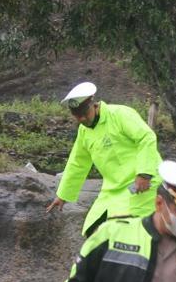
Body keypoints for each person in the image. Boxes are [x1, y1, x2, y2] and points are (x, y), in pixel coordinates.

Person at [46, 81, 164, 236]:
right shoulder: (84, 131)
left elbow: (146, 137)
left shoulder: (120, 114)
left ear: (93, 105)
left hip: (141, 185)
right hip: (112, 191)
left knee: (125, 231)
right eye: (77, 116)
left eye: (84, 114)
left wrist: (144, 174)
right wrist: (63, 195)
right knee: (92, 230)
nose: (81, 119)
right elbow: (78, 163)